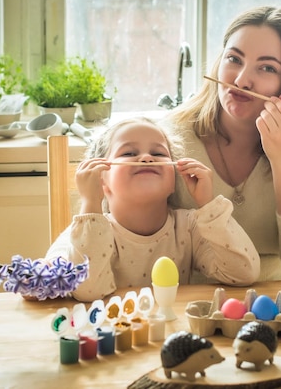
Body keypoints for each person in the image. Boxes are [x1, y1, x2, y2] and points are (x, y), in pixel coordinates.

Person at [166, 6, 281, 282]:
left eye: (267, 68)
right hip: (189, 302)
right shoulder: (170, 139)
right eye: (234, 59)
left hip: (277, 304)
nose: (240, 80)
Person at [46, 117, 260, 301]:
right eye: (129, 153)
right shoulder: (85, 233)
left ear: (173, 178)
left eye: (158, 153)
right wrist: (90, 204)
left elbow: (243, 273)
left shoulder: (191, 227)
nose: (146, 158)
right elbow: (87, 291)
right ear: (102, 179)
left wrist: (208, 205)